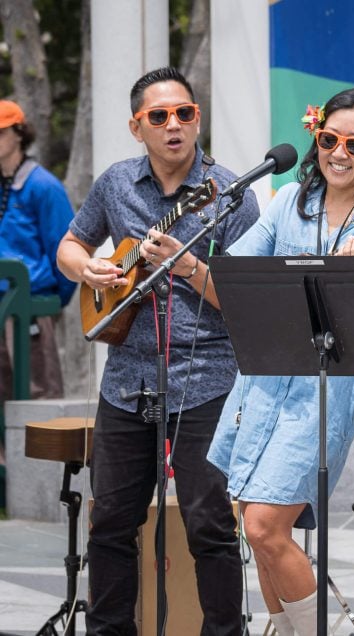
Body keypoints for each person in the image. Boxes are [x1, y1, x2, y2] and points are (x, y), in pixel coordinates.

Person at [205, 87, 354, 635]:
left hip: (321, 393)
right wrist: (186, 268)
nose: (339, 153)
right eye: (330, 139)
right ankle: (287, 628)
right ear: (316, 139)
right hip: (262, 380)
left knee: (265, 525)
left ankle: (329, 630)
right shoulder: (286, 203)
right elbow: (234, 279)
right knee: (249, 519)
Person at [56, 66, 260, 635]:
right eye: (159, 116)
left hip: (208, 377)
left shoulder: (231, 198)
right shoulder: (116, 184)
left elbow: (245, 302)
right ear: (136, 127)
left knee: (209, 524)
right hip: (127, 378)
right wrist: (92, 271)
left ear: (197, 119)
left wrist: (189, 264)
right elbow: (70, 245)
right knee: (112, 524)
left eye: (185, 113)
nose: (175, 125)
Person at [0, 99, 76, 401]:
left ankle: (36, 452)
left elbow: (66, 248)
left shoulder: (43, 185)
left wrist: (51, 304)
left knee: (37, 391)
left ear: (19, 133)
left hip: (29, 305)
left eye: (1, 132)